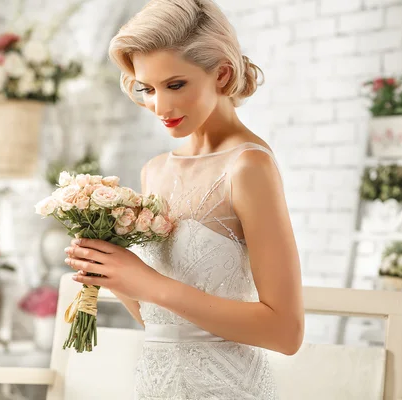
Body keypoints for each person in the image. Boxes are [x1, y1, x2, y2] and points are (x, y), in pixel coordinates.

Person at [63, 0, 303, 398]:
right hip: (154, 385)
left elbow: (286, 332)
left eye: (175, 85)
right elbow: (165, 322)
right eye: (148, 88)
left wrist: (147, 281)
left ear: (222, 74)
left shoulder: (248, 167)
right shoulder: (154, 171)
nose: (160, 106)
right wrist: (112, 273)